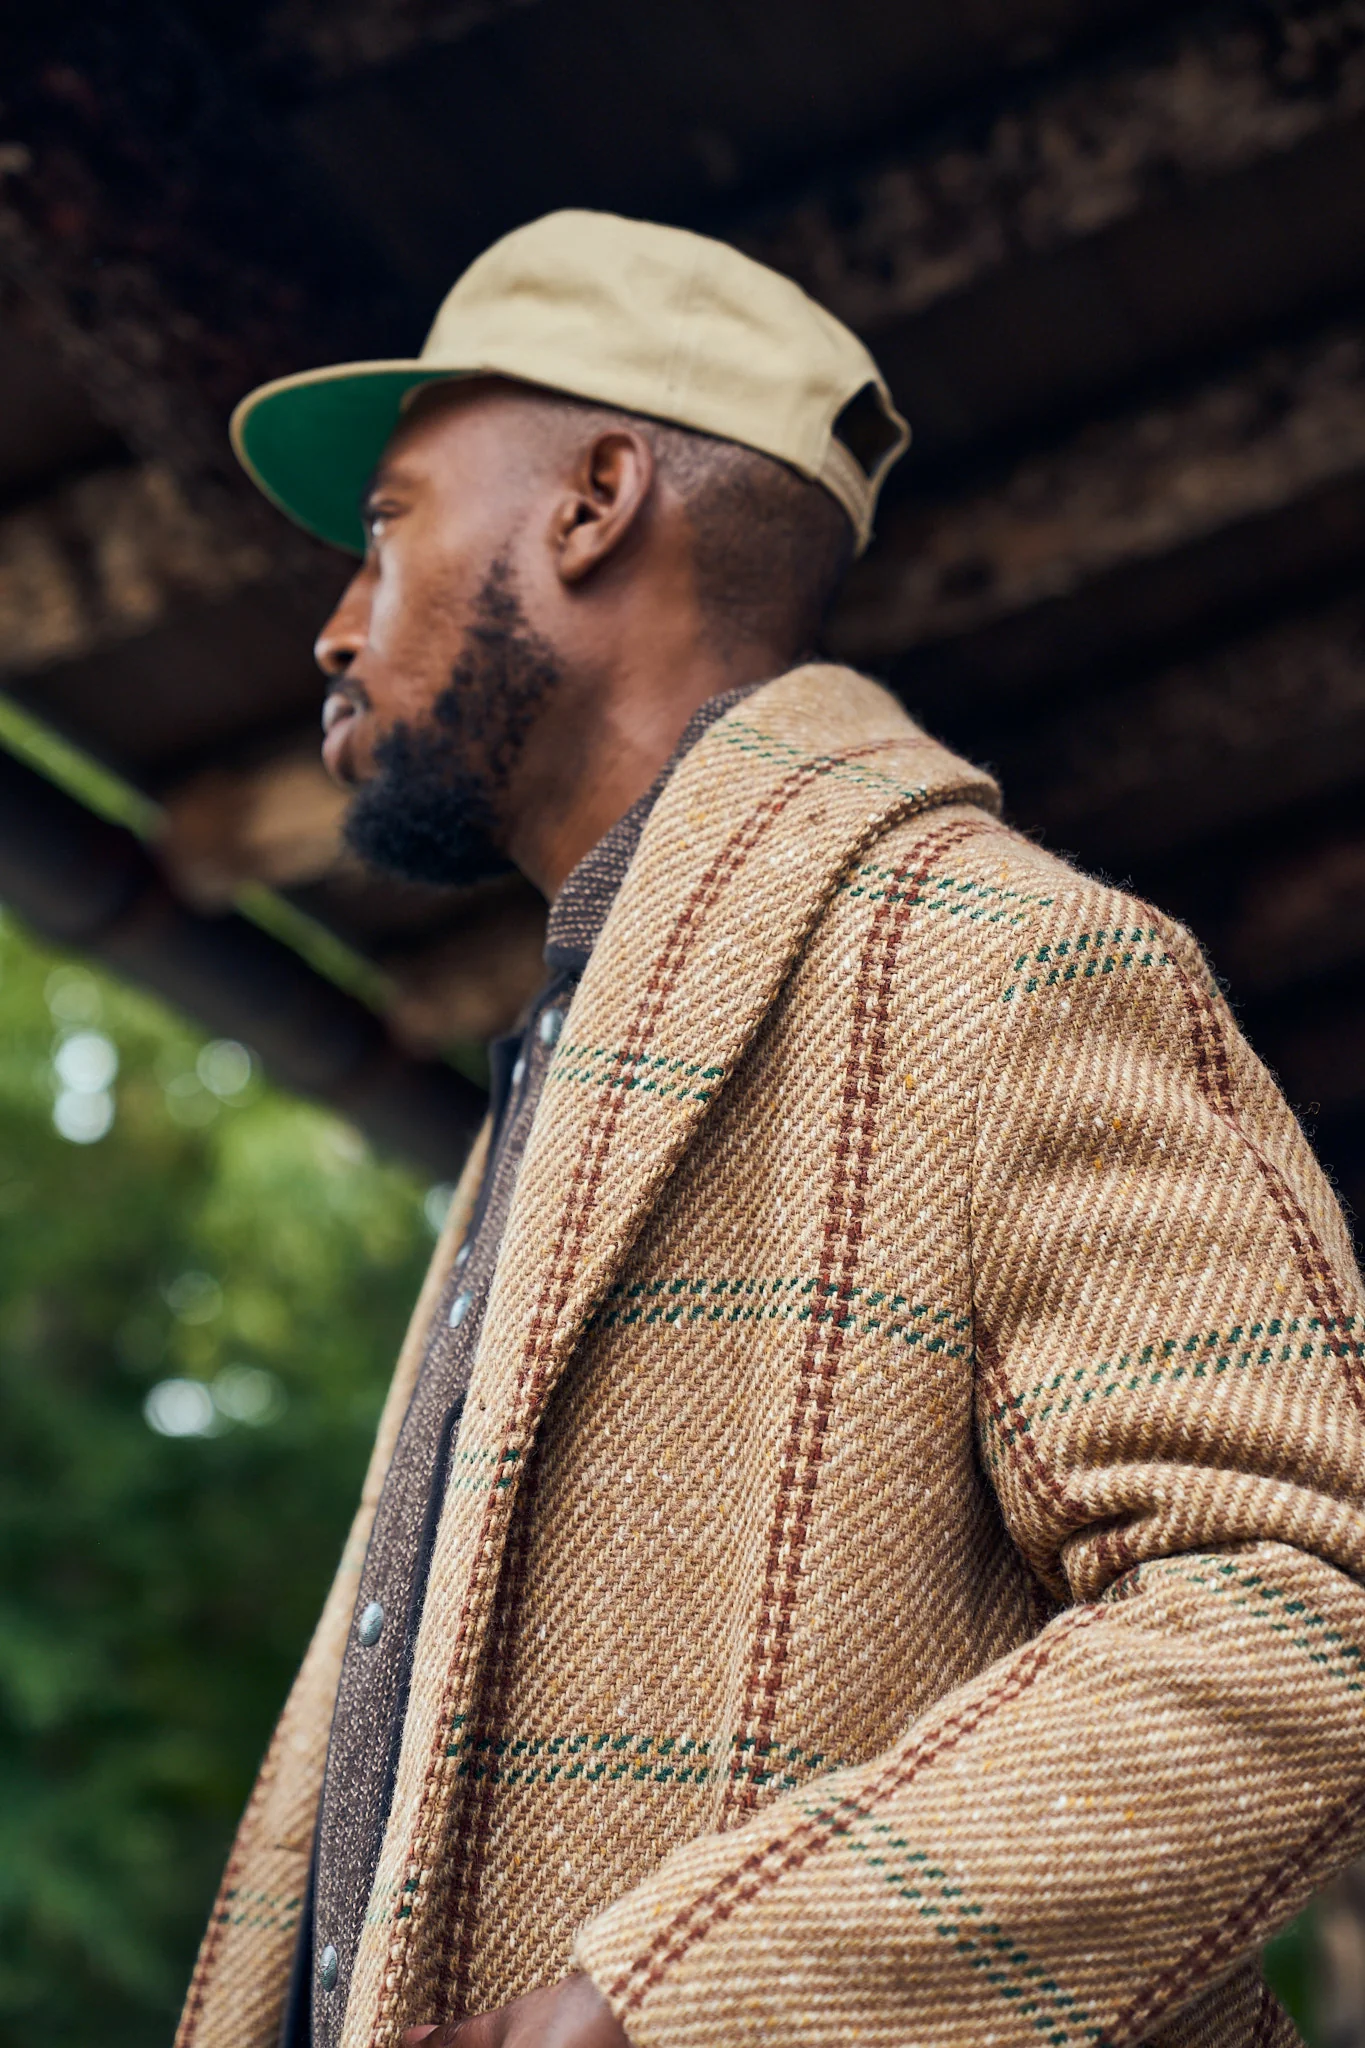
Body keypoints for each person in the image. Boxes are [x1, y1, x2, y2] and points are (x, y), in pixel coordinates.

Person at [177, 210, 1365, 2048]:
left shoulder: (1014, 961)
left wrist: (680, 2005)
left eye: (390, 523)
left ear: (592, 503)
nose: (335, 624)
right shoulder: (573, 1070)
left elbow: (1310, 1602)